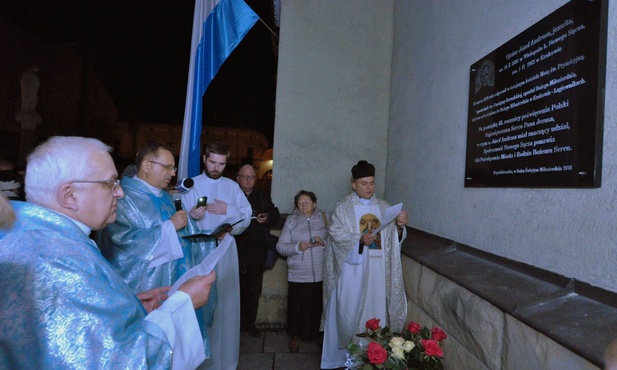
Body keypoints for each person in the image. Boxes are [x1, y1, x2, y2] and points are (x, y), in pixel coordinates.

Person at [0, 136, 216, 369]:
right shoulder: (56, 264)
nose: (121, 192)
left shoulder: (46, 238)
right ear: (69, 195)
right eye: (110, 183)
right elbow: (121, 361)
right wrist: (180, 305)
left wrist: (131, 306)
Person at [98, 142, 217, 358]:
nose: (172, 174)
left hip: (175, 279)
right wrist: (170, 226)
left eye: (173, 168)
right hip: (149, 289)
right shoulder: (122, 198)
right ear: (146, 165)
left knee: (179, 348)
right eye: (167, 167)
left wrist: (208, 237)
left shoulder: (165, 196)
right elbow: (124, 244)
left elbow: (183, 233)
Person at [320, 160, 409, 369]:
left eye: (372, 183)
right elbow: (335, 234)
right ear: (354, 184)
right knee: (348, 315)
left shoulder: (386, 208)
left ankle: (376, 358)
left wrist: (399, 227)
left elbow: (392, 242)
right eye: (364, 183)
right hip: (353, 271)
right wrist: (359, 239)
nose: (369, 187)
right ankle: (344, 360)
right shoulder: (343, 208)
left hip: (379, 273)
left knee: (377, 311)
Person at [181, 141, 252, 370]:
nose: (217, 167)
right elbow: (181, 220)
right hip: (199, 252)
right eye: (213, 162)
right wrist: (192, 216)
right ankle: (201, 362)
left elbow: (246, 215)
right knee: (202, 303)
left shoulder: (232, 186)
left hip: (226, 251)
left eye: (222, 163)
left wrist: (228, 213)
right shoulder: (192, 186)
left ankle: (226, 361)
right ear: (204, 159)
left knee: (227, 304)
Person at [277, 190, 328, 353]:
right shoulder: (291, 221)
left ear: (314, 203)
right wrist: (298, 247)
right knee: (296, 307)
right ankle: (295, 336)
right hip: (298, 273)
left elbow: (336, 244)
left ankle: (317, 335)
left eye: (306, 201)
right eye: (300, 203)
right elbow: (281, 247)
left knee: (317, 306)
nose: (303, 205)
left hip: (320, 272)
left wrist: (324, 243)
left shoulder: (324, 219)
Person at [235, 164, 280, 338]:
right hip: (236, 252)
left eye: (252, 177)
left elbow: (274, 213)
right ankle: (235, 325)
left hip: (256, 253)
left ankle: (250, 324)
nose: (248, 180)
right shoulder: (232, 195)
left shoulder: (261, 196)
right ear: (238, 178)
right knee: (235, 293)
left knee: (253, 293)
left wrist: (267, 217)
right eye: (245, 177)